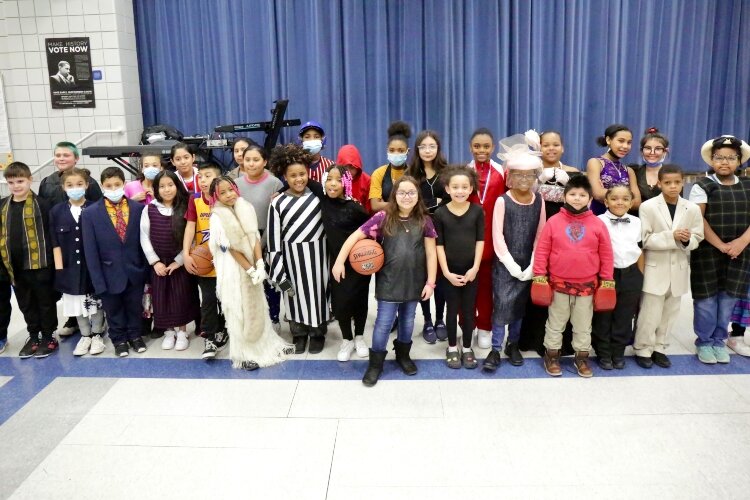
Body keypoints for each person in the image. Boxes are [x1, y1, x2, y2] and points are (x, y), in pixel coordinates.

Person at [333, 176, 437, 386]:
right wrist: (339, 261)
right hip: (388, 282)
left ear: (418, 196)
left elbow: (431, 254)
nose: (406, 197)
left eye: (411, 193)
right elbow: (355, 237)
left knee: (408, 321)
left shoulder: (424, 220)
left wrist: (430, 282)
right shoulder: (382, 217)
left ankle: (403, 355)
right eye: (402, 193)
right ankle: (376, 362)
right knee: (383, 324)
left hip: (414, 282)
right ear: (394, 195)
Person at [533, 175, 614, 377]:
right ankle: (551, 355)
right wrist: (539, 275)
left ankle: (581, 357)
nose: (577, 198)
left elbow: (606, 253)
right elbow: (542, 250)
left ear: (589, 199)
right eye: (572, 194)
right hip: (558, 284)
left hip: (587, 286)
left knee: (583, 325)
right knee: (555, 323)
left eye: (582, 195)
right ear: (564, 196)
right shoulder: (553, 222)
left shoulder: (597, 224)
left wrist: (607, 280)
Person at [208, 176, 292, 370]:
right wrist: (249, 269)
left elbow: (254, 237)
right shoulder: (216, 217)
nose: (229, 195)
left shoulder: (245, 206)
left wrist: (260, 263)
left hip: (253, 264)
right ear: (215, 196)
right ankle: (243, 355)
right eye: (223, 192)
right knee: (237, 310)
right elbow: (231, 248)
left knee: (258, 307)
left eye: (231, 189)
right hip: (232, 269)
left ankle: (268, 346)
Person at [485, 131, 546, 371]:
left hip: (528, 263)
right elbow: (497, 236)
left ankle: (513, 344)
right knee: (501, 306)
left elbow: (540, 234)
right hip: (505, 264)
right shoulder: (503, 201)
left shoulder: (539, 200)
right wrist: (510, 264)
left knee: (519, 307)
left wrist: (532, 265)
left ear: (535, 177)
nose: (523, 179)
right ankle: (495, 348)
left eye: (529, 175)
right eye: (518, 175)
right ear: (510, 176)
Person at [634, 165, 703, 368]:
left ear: (683, 183)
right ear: (659, 184)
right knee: (650, 312)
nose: (673, 187)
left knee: (670, 312)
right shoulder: (648, 207)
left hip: (679, 268)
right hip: (655, 267)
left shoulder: (691, 208)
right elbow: (644, 239)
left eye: (677, 182)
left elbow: (698, 237)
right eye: (667, 183)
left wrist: (686, 240)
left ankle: (660, 347)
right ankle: (643, 348)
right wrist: (670, 236)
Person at [688, 135, 750, 365]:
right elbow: (698, 219)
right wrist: (722, 245)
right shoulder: (702, 185)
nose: (725, 162)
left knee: (728, 299)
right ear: (711, 160)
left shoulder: (747, 185)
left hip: (740, 252)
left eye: (730, 158)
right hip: (707, 252)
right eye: (719, 158)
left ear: (739, 160)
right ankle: (704, 342)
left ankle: (718, 340)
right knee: (706, 300)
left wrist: (741, 242)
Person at [267, 144, 330, 354]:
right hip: (291, 260)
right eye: (292, 175)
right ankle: (299, 333)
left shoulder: (319, 198)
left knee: (318, 296)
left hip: (319, 258)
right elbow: (274, 240)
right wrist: (278, 271)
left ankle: (318, 333)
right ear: (284, 176)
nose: (298, 179)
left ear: (308, 173)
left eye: (302, 174)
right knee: (292, 296)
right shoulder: (278, 203)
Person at [81, 167, 148, 358]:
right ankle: (118, 339)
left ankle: (135, 336)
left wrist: (144, 270)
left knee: (135, 306)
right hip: (107, 272)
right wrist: (97, 280)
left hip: (134, 269)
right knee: (113, 309)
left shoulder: (138, 209)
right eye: (108, 186)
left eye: (117, 185)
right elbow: (90, 250)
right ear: (102, 187)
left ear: (124, 184)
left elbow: (143, 242)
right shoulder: (90, 213)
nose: (113, 188)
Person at [0, 162, 59, 358]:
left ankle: (49, 337)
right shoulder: (3, 206)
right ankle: (34, 336)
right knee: (25, 304)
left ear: (29, 180)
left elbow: (51, 235)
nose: (16, 186)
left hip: (40, 264)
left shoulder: (42, 205)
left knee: (45, 302)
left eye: (20, 181)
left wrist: (54, 265)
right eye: (11, 182)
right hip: (14, 267)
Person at [140, 171, 199, 351]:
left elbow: (193, 237)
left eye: (170, 185)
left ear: (177, 185)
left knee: (181, 297)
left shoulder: (185, 206)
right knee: (161, 298)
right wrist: (155, 262)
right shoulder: (149, 208)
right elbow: (144, 237)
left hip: (179, 262)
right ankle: (169, 331)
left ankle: (182, 331)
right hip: (159, 263)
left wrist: (180, 260)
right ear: (156, 189)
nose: (167, 190)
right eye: (162, 186)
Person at [50, 168, 106, 356]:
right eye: (70, 185)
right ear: (63, 188)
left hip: (92, 268)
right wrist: (60, 270)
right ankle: (85, 335)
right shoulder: (57, 211)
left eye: (79, 184)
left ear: (87, 185)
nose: (75, 188)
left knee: (95, 302)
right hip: (69, 268)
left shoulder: (96, 207)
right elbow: (55, 243)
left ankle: (97, 334)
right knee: (76, 304)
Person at [433, 166, 484, 369]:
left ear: (471, 188)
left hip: (472, 271)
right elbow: (439, 245)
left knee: (469, 310)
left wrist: (475, 268)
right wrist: (446, 272)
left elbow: (480, 241)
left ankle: (468, 347)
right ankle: (453, 347)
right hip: (449, 272)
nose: (460, 191)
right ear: (447, 189)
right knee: (452, 309)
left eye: (464, 187)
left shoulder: (477, 211)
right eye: (455, 187)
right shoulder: (440, 213)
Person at [320, 165, 371, 361]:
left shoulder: (355, 208)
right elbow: (304, 181)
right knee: (341, 302)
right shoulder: (324, 199)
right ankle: (347, 339)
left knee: (360, 300)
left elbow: (370, 231)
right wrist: (279, 192)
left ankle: (359, 336)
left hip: (359, 264)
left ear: (346, 183)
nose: (333, 183)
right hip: (337, 264)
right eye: (329, 179)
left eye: (339, 180)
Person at [591, 185, 644, 370]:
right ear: (606, 202)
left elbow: (640, 248)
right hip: (606, 273)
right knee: (603, 314)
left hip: (631, 273)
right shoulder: (597, 221)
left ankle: (618, 350)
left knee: (624, 314)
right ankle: (603, 351)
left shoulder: (637, 222)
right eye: (614, 198)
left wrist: (640, 275)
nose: (619, 202)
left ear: (631, 202)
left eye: (624, 199)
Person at [182, 162, 228, 359]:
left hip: (226, 260)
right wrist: (186, 254)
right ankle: (209, 338)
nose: (202, 180)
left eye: (207, 176)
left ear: (218, 179)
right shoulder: (195, 200)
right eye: (199, 176)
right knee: (208, 300)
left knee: (225, 299)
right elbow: (190, 227)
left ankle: (225, 329)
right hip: (205, 261)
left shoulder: (226, 198)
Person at [466, 128, 507, 349]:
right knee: (467, 285)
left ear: (493, 148)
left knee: (486, 286)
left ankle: (484, 327)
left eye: (486, 146)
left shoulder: (501, 171)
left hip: (492, 237)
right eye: (477, 146)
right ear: (470, 147)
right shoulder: (464, 171)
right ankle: (467, 326)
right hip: (467, 239)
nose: (481, 150)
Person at [407, 130, 449, 343]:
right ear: (417, 149)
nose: (427, 150)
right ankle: (427, 320)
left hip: (444, 229)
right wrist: (435, 203)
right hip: (419, 229)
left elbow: (451, 200)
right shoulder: (411, 174)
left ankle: (440, 319)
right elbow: (409, 203)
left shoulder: (446, 171)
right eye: (423, 146)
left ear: (438, 148)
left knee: (440, 277)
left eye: (432, 146)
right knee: (425, 276)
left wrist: (435, 203)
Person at [236, 144, 283, 330]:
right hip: (243, 239)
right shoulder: (236, 184)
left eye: (256, 160)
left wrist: (261, 244)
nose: (251, 164)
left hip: (268, 237)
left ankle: (274, 318)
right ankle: (253, 321)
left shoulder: (275, 183)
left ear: (265, 162)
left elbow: (277, 215)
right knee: (249, 281)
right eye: (247, 160)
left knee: (270, 280)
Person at [586, 124, 641, 215]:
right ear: (608, 140)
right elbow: (597, 193)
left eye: (629, 142)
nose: (625, 146)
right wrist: (627, 197)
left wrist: (608, 193)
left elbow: (637, 202)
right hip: (599, 218)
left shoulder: (629, 171)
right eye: (621, 141)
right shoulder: (596, 163)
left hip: (622, 221)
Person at [369, 121, 412, 213]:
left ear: (408, 151)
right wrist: (405, 203)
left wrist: (385, 204)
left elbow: (419, 203)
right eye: (392, 150)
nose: (396, 154)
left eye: (401, 151)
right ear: (387, 150)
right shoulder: (378, 173)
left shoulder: (414, 172)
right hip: (386, 221)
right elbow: (375, 205)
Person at [536, 131, 581, 218]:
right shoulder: (532, 171)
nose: (551, 148)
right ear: (539, 148)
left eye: (556, 145)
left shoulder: (573, 171)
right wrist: (538, 182)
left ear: (562, 148)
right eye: (546, 145)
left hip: (565, 220)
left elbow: (581, 200)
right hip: (537, 220)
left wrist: (569, 184)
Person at [629, 127, 674, 204]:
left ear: (665, 151)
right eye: (648, 148)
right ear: (641, 151)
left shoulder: (673, 173)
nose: (652, 152)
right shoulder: (633, 171)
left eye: (658, 149)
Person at [335, 144, 371, 212]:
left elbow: (369, 210)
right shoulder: (333, 179)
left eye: (352, 167)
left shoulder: (367, 181)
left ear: (358, 167)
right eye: (345, 167)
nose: (348, 171)